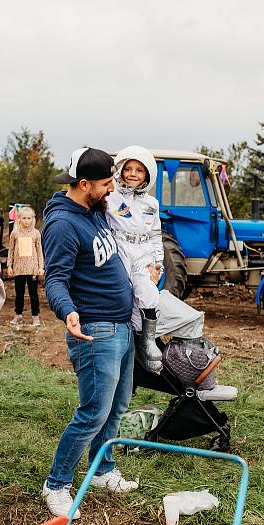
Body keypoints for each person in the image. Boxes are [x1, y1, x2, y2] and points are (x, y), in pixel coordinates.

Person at [41, 147, 138, 519]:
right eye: (106, 183)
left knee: (117, 405)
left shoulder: (93, 211)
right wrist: (68, 313)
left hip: (122, 325)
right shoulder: (64, 224)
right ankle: (57, 484)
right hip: (96, 330)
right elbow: (56, 279)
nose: (112, 188)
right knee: (93, 411)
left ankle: (102, 468)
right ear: (84, 184)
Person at [105, 145, 164, 373]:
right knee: (123, 295)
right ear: (119, 170)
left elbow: (156, 234)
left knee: (147, 294)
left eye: (139, 170)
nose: (132, 174)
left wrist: (157, 263)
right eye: (128, 168)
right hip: (119, 248)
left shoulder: (152, 204)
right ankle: (122, 342)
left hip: (142, 252)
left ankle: (147, 341)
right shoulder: (111, 196)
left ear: (147, 176)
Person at [7, 206, 44, 327]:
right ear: (19, 219)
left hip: (32, 269)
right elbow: (11, 250)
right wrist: (9, 265)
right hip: (19, 268)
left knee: (33, 293)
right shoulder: (15, 233)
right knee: (19, 293)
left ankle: (35, 316)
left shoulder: (36, 233)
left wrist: (40, 267)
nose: (26, 220)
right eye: (24, 218)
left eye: (29, 218)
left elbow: (39, 251)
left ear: (32, 219)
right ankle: (18, 315)